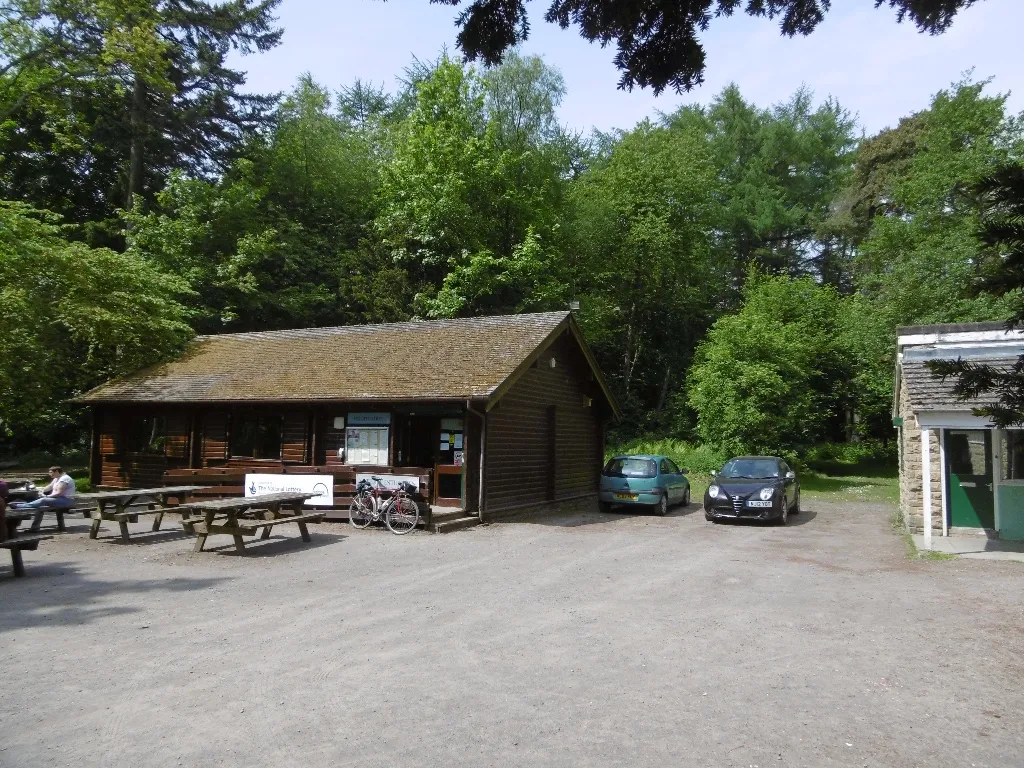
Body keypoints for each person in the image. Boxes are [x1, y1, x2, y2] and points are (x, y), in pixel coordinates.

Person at [11, 466, 76, 531]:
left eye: (51, 472)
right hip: (58, 499)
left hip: (65, 500)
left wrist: (47, 496)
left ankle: (19, 506)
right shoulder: (57, 478)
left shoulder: (64, 479)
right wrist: (42, 490)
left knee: (43, 500)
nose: (49, 474)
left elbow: (59, 493)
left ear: (56, 471)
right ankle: (35, 528)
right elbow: (50, 486)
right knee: (37, 502)